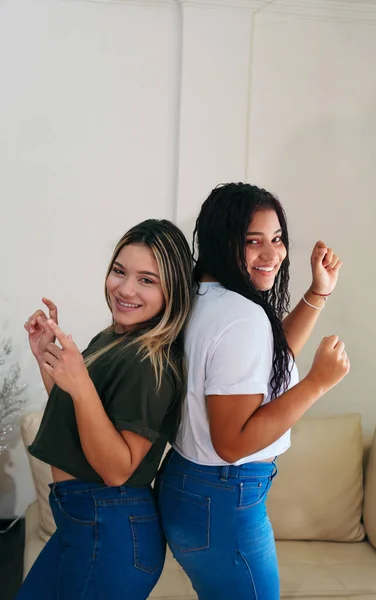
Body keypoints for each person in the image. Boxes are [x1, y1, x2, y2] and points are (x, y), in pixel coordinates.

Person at [156, 183, 350, 600]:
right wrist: (317, 382)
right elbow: (232, 442)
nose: (273, 254)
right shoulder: (241, 316)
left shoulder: (201, 296)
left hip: (190, 488)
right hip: (224, 494)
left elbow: (260, 364)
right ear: (224, 241)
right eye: (253, 241)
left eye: (278, 239)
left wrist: (318, 293)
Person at [16, 219, 192, 600]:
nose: (125, 289)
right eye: (119, 271)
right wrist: (48, 357)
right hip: (83, 520)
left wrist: (80, 385)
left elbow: (116, 469)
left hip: (111, 524)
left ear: (173, 291)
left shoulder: (150, 360)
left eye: (147, 280)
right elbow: (79, 419)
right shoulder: (114, 338)